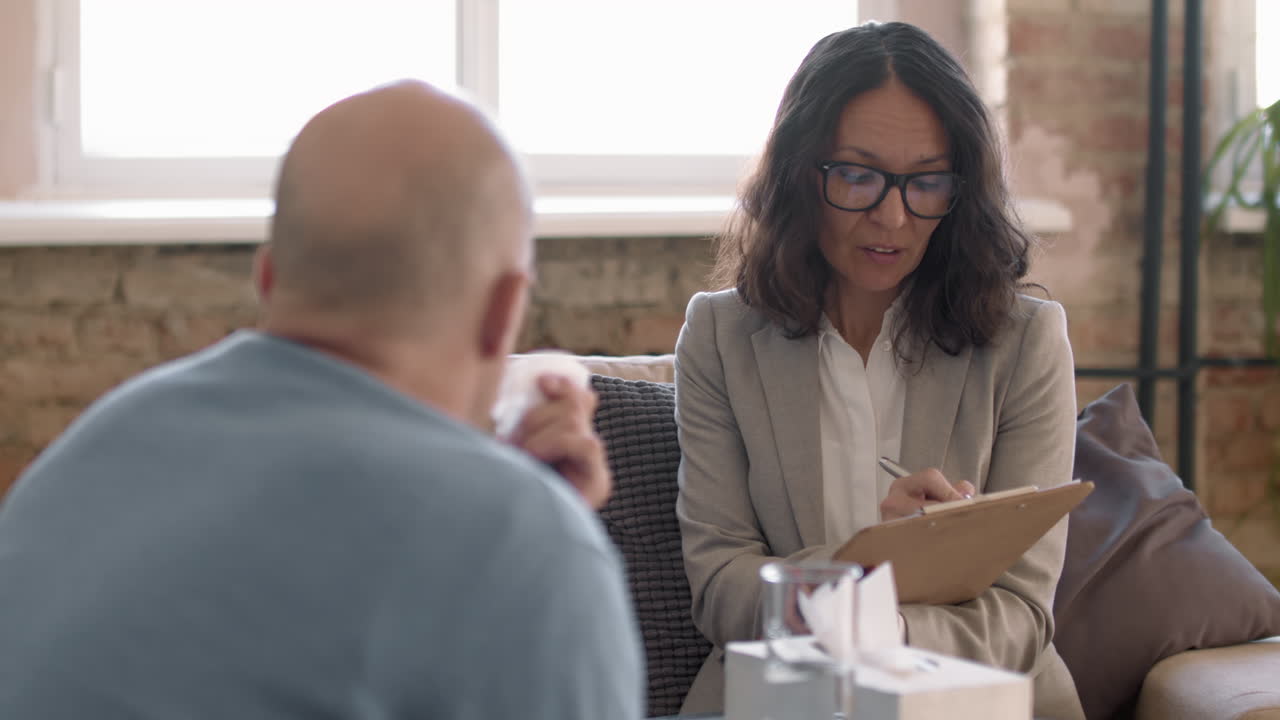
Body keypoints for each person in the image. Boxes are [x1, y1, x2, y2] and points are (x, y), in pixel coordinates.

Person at [0, 80, 644, 720]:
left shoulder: (101, 439)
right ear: (504, 313)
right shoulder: (519, 546)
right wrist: (534, 538)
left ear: (269, 277)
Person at [675, 22, 1084, 720]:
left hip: (973, 699)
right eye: (858, 176)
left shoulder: (1026, 343)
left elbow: (1021, 612)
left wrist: (883, 632)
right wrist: (871, 569)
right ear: (803, 175)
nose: (892, 217)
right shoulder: (721, 336)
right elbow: (721, 589)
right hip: (783, 700)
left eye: (926, 182)